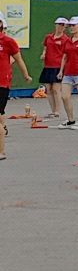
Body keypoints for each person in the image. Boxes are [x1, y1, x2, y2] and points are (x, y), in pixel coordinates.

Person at [0, 15, 32, 161]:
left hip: (2, 84)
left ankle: (1, 151)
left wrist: (26, 75)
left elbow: (19, 60)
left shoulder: (8, 42)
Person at [38, 18, 69, 120]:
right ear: (55, 25)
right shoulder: (48, 37)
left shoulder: (65, 39)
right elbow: (45, 48)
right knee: (49, 89)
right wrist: (43, 54)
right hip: (48, 66)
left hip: (58, 66)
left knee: (56, 89)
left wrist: (61, 70)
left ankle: (57, 111)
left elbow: (65, 54)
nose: (60, 27)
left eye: (63, 25)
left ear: (65, 27)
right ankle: (53, 110)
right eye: (59, 24)